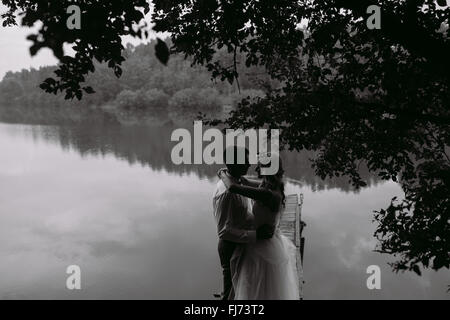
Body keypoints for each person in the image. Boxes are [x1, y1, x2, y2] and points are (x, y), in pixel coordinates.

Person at [218, 152, 300, 299]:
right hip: (266, 240)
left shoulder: (267, 194)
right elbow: (243, 181)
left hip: (262, 245)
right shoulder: (271, 187)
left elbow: (233, 188)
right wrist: (230, 171)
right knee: (258, 287)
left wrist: (222, 173)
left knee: (257, 287)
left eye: (260, 167)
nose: (255, 170)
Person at [212, 146, 275, 300]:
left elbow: (242, 210)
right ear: (234, 164)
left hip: (242, 242)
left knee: (241, 288)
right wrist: (256, 234)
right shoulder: (227, 193)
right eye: (246, 161)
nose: (249, 164)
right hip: (230, 246)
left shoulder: (238, 183)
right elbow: (224, 231)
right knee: (231, 291)